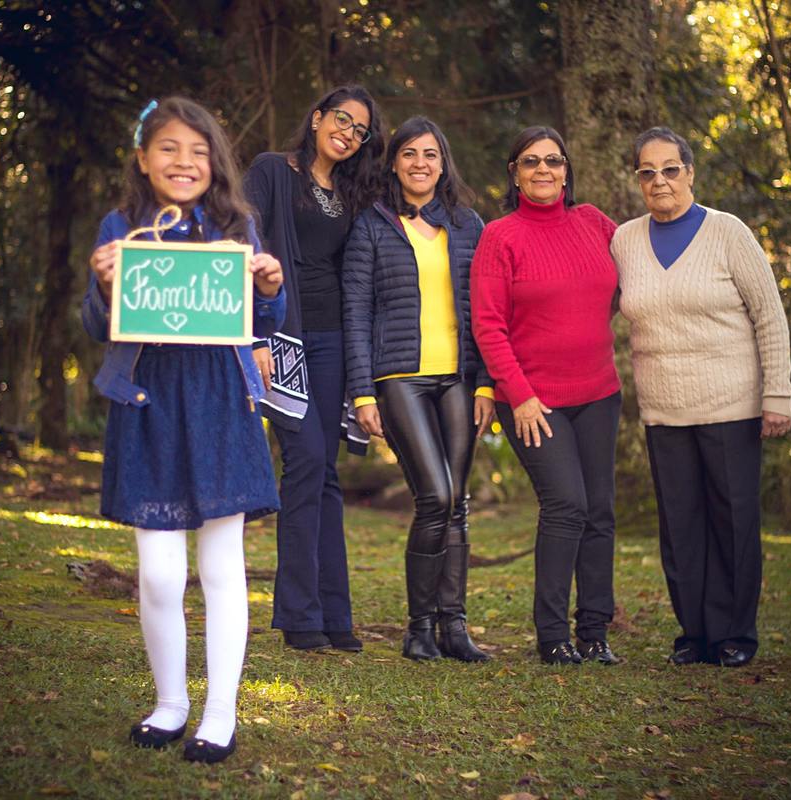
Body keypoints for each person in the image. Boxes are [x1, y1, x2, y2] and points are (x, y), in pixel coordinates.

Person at [82, 96, 285, 763]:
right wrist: (106, 286)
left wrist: (271, 284)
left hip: (222, 405)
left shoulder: (236, 226)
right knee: (161, 573)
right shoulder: (121, 226)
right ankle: (170, 703)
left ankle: (219, 715)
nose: (184, 162)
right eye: (169, 148)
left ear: (215, 164)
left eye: (199, 152)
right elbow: (94, 325)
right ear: (142, 159)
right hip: (147, 407)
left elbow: (265, 322)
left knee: (222, 568)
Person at [610, 126, 791, 668]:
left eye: (670, 169)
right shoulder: (624, 240)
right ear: (638, 179)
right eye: (648, 172)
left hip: (732, 404)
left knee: (732, 520)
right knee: (681, 526)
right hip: (664, 410)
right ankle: (694, 633)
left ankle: (736, 633)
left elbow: (769, 315)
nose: (659, 181)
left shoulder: (727, 232)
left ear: (690, 172)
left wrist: (777, 392)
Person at [342, 117, 495, 662]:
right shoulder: (372, 225)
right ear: (394, 163)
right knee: (435, 496)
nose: (420, 164)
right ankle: (417, 628)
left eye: (431, 154)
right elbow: (355, 312)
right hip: (398, 377)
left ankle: (454, 627)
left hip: (459, 377)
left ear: (443, 162)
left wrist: (487, 385)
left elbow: (487, 308)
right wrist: (362, 394)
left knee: (458, 505)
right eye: (409, 154)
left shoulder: (468, 223)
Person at [471, 126, 622, 667]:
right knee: (566, 505)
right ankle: (552, 635)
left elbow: (634, 282)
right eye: (531, 161)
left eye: (553, 161)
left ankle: (596, 632)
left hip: (600, 392)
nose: (543, 170)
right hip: (533, 400)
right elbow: (489, 327)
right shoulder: (500, 236)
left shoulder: (596, 224)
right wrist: (522, 396)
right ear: (514, 172)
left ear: (566, 168)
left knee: (600, 510)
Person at [244, 86, 385, 652]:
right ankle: (300, 616)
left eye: (360, 130)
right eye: (342, 119)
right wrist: (254, 329)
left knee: (325, 471)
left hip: (333, 338)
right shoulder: (273, 171)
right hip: (281, 332)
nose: (348, 132)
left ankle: (334, 614)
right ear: (318, 116)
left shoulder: (352, 193)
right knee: (302, 463)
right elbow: (244, 241)